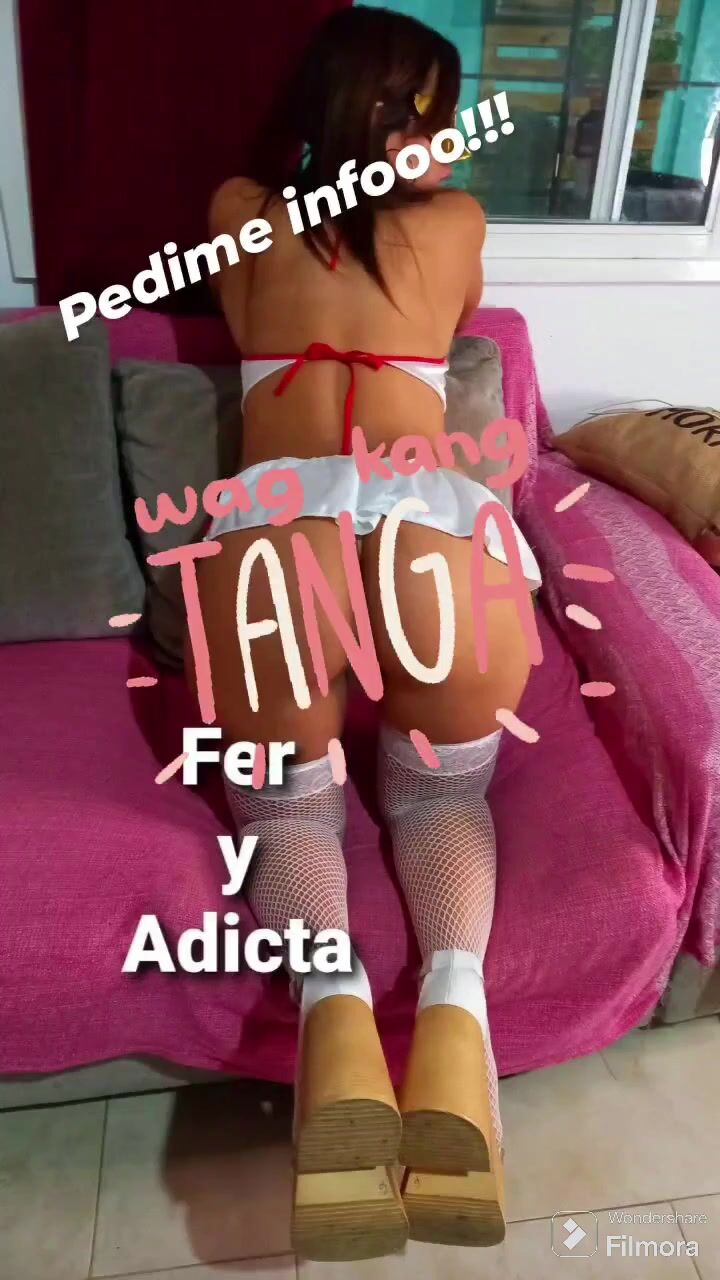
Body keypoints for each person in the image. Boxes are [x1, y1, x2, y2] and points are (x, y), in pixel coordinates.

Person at [191, 4, 540, 1262]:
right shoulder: (456, 224)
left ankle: (334, 1006)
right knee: (440, 796)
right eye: (430, 113)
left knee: (291, 805)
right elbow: (452, 321)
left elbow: (251, 307)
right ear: (382, 121)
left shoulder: (238, 211)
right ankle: (452, 1010)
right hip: (432, 527)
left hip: (280, 532)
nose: (449, 139)